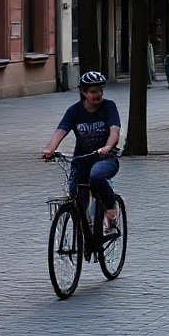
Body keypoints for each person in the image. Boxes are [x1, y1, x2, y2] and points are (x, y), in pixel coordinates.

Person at [43, 70, 123, 233]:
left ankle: (111, 210)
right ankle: (84, 230)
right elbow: (62, 129)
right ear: (83, 92)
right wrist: (51, 149)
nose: (98, 94)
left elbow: (114, 130)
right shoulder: (75, 111)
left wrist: (108, 146)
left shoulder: (109, 107)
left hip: (105, 159)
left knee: (96, 177)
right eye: (93, 91)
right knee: (75, 194)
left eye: (101, 90)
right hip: (82, 160)